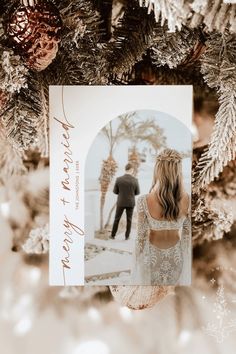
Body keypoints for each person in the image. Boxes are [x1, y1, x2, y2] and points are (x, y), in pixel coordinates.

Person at [132, 148, 191, 285]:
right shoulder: (187, 199)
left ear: (158, 170)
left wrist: (136, 265)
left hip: (152, 259)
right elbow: (187, 238)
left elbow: (140, 238)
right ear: (178, 170)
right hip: (177, 259)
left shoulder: (143, 201)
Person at [111, 163, 140, 240]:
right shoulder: (135, 180)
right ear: (131, 170)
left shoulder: (119, 179)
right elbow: (137, 193)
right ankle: (127, 236)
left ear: (125, 169)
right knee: (129, 220)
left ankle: (112, 235)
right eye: (133, 170)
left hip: (121, 202)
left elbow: (115, 192)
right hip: (130, 203)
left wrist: (122, 193)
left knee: (116, 219)